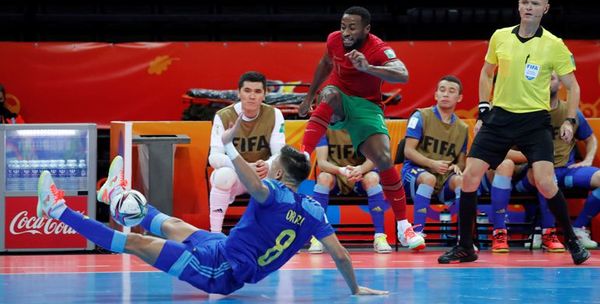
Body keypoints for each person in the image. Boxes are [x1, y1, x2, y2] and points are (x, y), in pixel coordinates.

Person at [37, 121, 388, 296]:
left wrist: (228, 146)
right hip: (225, 250)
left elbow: (251, 183)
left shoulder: (274, 193)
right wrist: (356, 289)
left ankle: (56, 210)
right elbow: (340, 255)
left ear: (280, 172)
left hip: (220, 271)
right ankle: (115, 196)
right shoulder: (312, 209)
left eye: (272, 162)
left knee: (138, 244)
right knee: (173, 224)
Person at [438, 0, 590, 265]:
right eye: (524, 2)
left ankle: (571, 241)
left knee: (546, 182)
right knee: (470, 176)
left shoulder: (555, 45)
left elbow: (574, 86)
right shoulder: (500, 37)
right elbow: (486, 74)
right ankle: (466, 247)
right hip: (500, 116)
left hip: (534, 120)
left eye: (534, 3)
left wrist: (570, 119)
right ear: (518, 5)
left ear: (544, 9)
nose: (527, 7)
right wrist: (484, 111)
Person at [298, 6, 425, 250]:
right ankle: (304, 153)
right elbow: (325, 63)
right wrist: (309, 95)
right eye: (343, 26)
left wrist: (368, 67)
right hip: (340, 98)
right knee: (330, 93)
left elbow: (403, 75)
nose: (345, 32)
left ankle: (403, 226)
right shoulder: (334, 40)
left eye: (352, 28)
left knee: (384, 159)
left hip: (367, 105)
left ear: (366, 29)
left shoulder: (377, 48)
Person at [512, 72, 600, 250]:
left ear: (560, 85)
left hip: (567, 171)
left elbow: (591, 139)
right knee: (544, 177)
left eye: (551, 78)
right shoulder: (526, 114)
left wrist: (588, 159)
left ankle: (578, 228)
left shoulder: (571, 112)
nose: (546, 82)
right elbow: (509, 149)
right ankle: (543, 230)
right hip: (532, 174)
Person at [208, 71, 286, 233]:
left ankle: (280, 232)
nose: (252, 96)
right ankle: (215, 233)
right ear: (239, 93)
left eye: (257, 92)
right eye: (247, 91)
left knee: (284, 172)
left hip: (262, 175)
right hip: (236, 176)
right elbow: (214, 157)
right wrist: (244, 167)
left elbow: (279, 153)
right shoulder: (223, 116)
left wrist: (268, 164)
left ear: (264, 95)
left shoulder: (274, 114)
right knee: (222, 175)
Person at [402, 75, 468, 244]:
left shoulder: (463, 128)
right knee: (429, 178)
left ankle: (464, 239)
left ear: (459, 98)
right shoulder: (420, 116)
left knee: (462, 181)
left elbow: (461, 161)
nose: (446, 94)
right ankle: (417, 234)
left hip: (444, 177)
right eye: (442, 90)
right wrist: (432, 164)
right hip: (414, 173)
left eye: (451, 91)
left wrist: (456, 167)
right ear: (436, 95)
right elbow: (408, 151)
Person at [308, 128, 393, 254]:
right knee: (323, 178)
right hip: (336, 173)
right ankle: (317, 237)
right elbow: (322, 163)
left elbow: (374, 159)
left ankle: (380, 236)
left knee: (373, 178)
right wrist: (341, 170)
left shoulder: (364, 126)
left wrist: (360, 169)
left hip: (361, 173)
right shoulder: (324, 128)